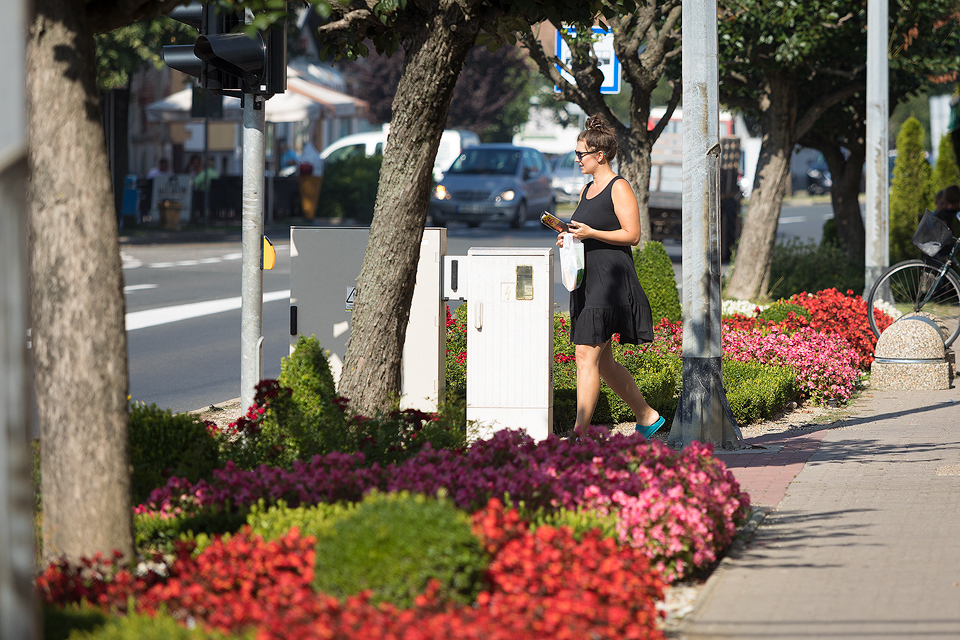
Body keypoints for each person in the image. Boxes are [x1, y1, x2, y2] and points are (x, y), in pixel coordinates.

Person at [557, 114, 663, 440]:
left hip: (611, 282)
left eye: (581, 154)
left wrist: (591, 232)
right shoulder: (586, 190)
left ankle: (578, 435)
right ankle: (648, 416)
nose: (577, 159)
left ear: (599, 155)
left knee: (584, 355)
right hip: (588, 282)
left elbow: (632, 235)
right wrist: (569, 237)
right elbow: (584, 233)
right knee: (603, 364)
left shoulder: (620, 187)